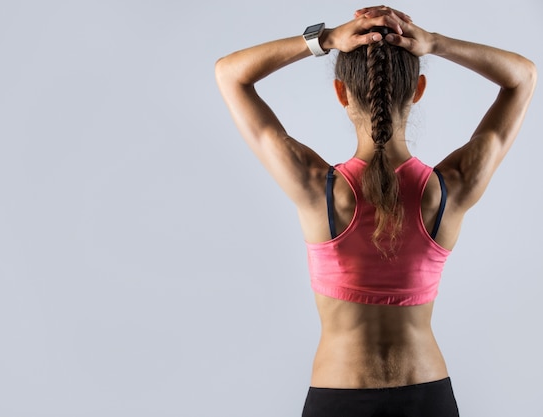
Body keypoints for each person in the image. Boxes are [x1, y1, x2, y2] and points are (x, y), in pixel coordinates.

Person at [215, 5, 537, 417]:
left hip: (338, 397)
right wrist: (436, 43)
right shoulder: (448, 190)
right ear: (418, 90)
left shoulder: (318, 190)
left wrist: (326, 38)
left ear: (341, 93)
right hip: (428, 398)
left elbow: (230, 74)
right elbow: (522, 76)